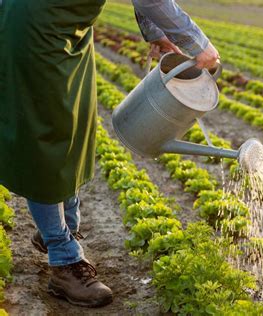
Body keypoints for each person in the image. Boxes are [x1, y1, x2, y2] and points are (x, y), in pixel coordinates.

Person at [0, 0, 219, 308]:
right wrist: (197, 43)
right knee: (46, 135)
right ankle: (63, 259)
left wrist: (156, 32)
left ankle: (62, 228)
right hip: (36, 26)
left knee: (75, 125)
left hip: (68, 28)